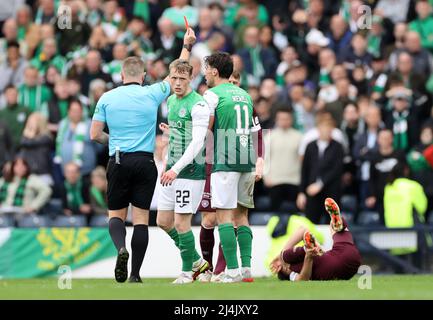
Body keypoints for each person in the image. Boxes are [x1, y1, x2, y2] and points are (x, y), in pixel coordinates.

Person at [90, 28, 197, 283]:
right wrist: (186, 45)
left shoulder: (107, 97)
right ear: (144, 76)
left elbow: (95, 134)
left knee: (116, 216)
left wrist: (113, 141)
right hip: (146, 161)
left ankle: (120, 249)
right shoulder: (152, 93)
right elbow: (177, 74)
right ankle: (136, 275)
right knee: (140, 219)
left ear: (121, 74)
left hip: (118, 159)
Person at [201, 51, 261, 283]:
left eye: (206, 69)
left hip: (225, 159)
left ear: (215, 71)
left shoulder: (211, 95)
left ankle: (232, 270)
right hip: (247, 159)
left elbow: (207, 128)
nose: (205, 73)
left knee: (224, 216)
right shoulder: (245, 95)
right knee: (242, 215)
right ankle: (246, 268)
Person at [156, 59, 210, 284]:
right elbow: (181, 135)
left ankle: (188, 272)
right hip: (171, 169)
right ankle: (198, 261)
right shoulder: (170, 101)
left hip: (189, 171)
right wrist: (171, 136)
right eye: (174, 78)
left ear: (190, 78)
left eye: (182, 79)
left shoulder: (198, 104)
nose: (177, 83)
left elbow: (198, 142)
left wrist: (175, 169)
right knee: (163, 221)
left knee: (181, 223)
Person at [270, 198, 361, 281]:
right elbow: (302, 279)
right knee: (335, 227)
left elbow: (303, 231)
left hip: (347, 266)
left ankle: (335, 226)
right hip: (350, 254)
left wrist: (282, 256)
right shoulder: (290, 268)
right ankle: (337, 225)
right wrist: (307, 257)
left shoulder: (274, 220)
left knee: (334, 226)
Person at [297, 114, 344, 224]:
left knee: (332, 224)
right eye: (324, 127)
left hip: (331, 193)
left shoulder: (337, 147)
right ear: (318, 129)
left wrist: (320, 184)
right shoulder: (310, 146)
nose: (326, 130)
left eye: (329, 128)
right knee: (310, 224)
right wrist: (301, 192)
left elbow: (337, 170)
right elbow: (305, 170)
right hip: (312, 192)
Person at [19, 112, 54, 186]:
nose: (30, 125)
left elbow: (30, 142)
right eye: (29, 122)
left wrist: (29, 134)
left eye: (32, 122)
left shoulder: (46, 138)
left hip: (42, 175)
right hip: (28, 176)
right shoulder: (25, 140)